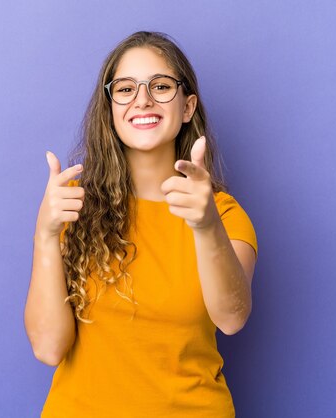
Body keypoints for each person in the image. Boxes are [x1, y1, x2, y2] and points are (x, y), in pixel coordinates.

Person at [24, 31, 258, 418]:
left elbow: (232, 318)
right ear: (111, 108)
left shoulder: (224, 214)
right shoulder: (73, 206)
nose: (143, 99)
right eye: (126, 89)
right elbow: (49, 348)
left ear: (187, 107)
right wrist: (46, 236)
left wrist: (206, 226)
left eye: (161, 86)